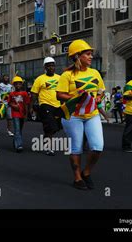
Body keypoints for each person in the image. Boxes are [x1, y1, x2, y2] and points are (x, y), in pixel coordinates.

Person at [56, 40, 105, 190]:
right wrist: (77, 98)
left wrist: (98, 98)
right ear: (77, 56)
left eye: (91, 54)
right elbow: (59, 95)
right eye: (88, 54)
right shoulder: (67, 75)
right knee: (76, 148)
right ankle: (77, 178)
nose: (91, 57)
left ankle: (86, 172)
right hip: (73, 116)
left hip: (92, 114)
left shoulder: (95, 72)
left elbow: (101, 91)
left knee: (98, 146)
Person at [30, 57, 62, 156]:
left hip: (58, 105)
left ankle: (46, 137)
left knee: (57, 127)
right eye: (49, 66)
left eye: (53, 65)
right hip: (45, 105)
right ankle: (50, 148)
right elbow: (34, 94)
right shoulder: (40, 79)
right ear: (45, 67)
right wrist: (32, 108)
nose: (51, 67)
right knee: (50, 125)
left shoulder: (59, 78)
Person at [8, 76, 30, 152]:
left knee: (19, 129)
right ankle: (19, 145)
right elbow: (9, 103)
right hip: (15, 114)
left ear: (21, 84)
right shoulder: (11, 94)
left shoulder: (25, 93)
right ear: (13, 85)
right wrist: (13, 105)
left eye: (19, 84)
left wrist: (26, 114)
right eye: (16, 84)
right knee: (17, 129)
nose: (17, 86)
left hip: (22, 114)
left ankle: (15, 141)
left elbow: (27, 104)